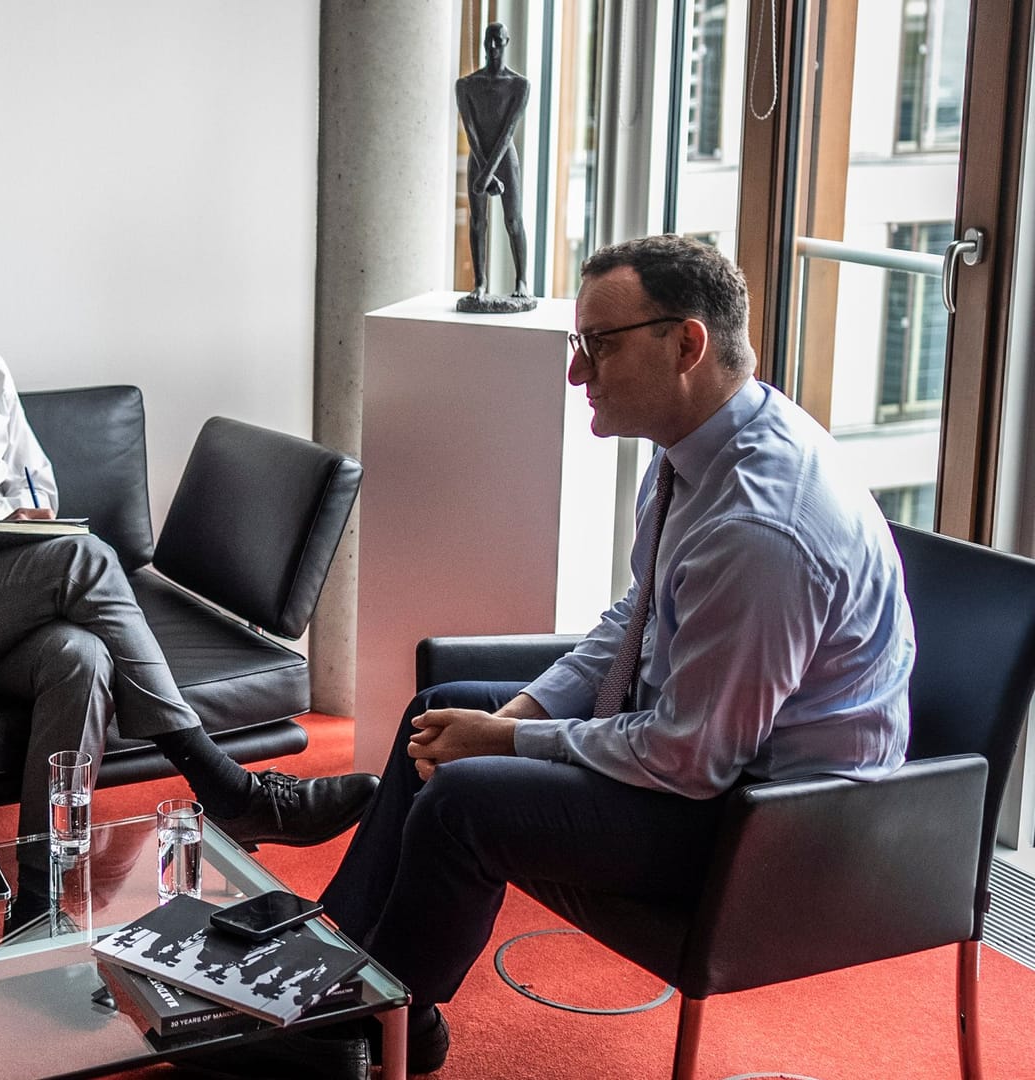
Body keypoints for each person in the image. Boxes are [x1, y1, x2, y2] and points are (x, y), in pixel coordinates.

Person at [318, 235, 915, 1074]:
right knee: (437, 709)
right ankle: (335, 966)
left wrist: (506, 743)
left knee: (465, 801)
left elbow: (692, 758)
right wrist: (515, 716)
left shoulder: (758, 526)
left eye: (598, 346)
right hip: (715, 763)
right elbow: (639, 615)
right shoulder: (694, 458)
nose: (576, 373)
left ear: (687, 345)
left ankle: (376, 1035)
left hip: (778, 826)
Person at [0, 227, 377, 851]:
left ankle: (43, 890)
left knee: (81, 658)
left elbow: (40, 491)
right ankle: (223, 785)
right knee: (83, 558)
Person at [454, 22, 534, 311]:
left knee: (513, 221)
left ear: (507, 42)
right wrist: (483, 170)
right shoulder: (466, 85)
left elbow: (508, 131)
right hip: (479, 156)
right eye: (489, 41)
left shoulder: (519, 84)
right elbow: (471, 130)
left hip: (503, 158)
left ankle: (521, 281)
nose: (492, 47)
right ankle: (479, 283)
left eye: (498, 41)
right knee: (478, 221)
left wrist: (489, 175)